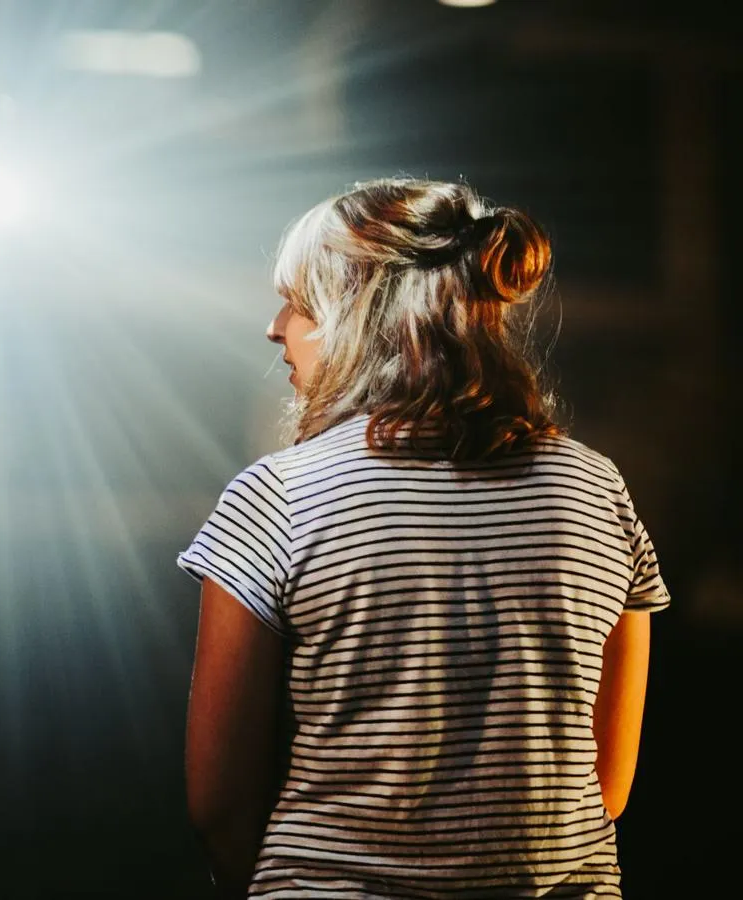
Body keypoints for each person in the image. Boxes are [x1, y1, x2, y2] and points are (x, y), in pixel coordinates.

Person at [178, 177, 666, 898]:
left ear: (361, 315)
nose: (275, 327)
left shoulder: (276, 497)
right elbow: (606, 784)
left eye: (302, 302)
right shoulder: (595, 488)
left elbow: (219, 802)